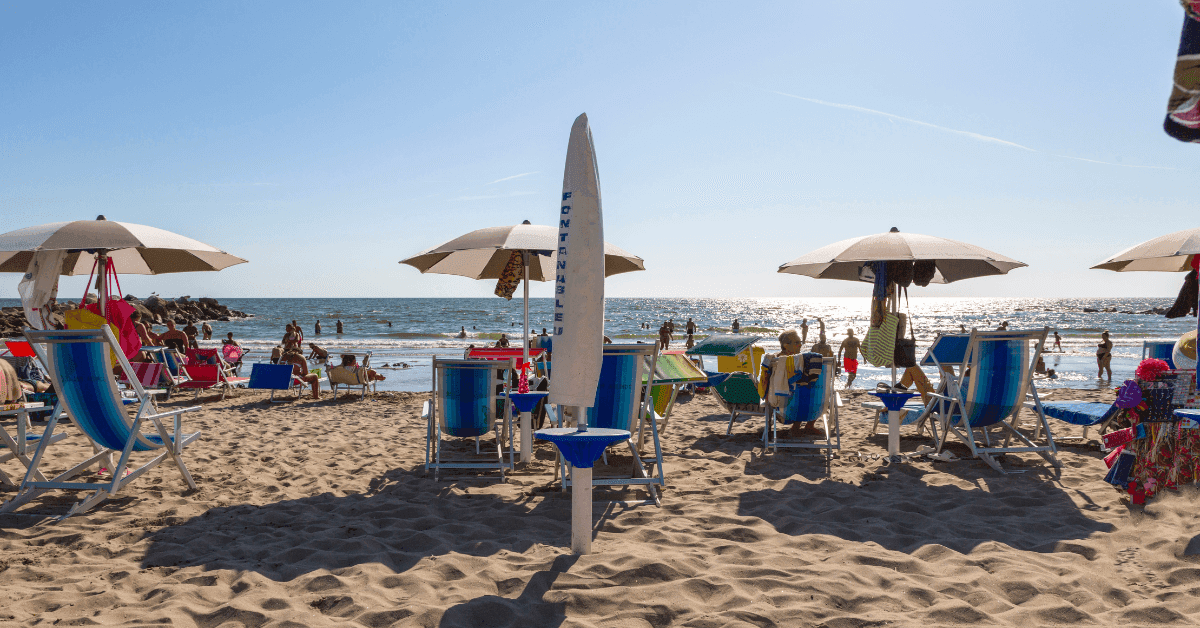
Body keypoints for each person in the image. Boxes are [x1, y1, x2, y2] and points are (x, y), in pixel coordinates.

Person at [758, 329, 819, 437]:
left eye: (800, 342)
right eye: (797, 342)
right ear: (786, 345)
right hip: (808, 409)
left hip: (783, 411)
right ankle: (806, 426)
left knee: (800, 391)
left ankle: (798, 427)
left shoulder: (777, 361)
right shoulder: (802, 363)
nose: (800, 345)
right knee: (813, 392)